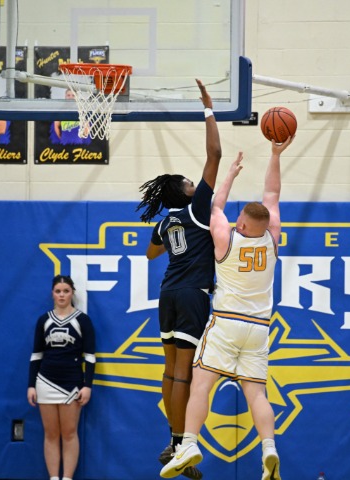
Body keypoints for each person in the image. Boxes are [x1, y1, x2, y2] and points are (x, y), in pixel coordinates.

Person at [160, 136, 294, 480]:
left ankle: (188, 444)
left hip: (226, 323)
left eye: (240, 218)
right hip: (259, 328)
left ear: (243, 224)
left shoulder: (226, 238)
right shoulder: (273, 238)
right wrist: (276, 155)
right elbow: (272, 194)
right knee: (257, 393)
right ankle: (269, 448)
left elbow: (215, 206)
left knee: (200, 384)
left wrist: (231, 174)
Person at [136, 79, 221, 480]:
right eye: (190, 182)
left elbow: (150, 253)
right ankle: (183, 446)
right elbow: (215, 154)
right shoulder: (197, 209)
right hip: (191, 295)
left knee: (170, 370)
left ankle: (173, 441)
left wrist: (174, 246)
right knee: (184, 371)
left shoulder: (165, 221)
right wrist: (208, 108)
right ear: (185, 192)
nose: (195, 183)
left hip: (167, 292)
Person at [27, 275, 95, 480]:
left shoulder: (82, 320)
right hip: (45, 381)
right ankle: (53, 477)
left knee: (69, 433)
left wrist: (87, 385)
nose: (62, 295)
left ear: (72, 293)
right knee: (50, 434)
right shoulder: (44, 320)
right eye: (58, 291)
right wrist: (31, 385)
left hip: (72, 383)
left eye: (66, 291)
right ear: (52, 294)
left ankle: (67, 477)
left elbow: (90, 356)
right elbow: (36, 355)